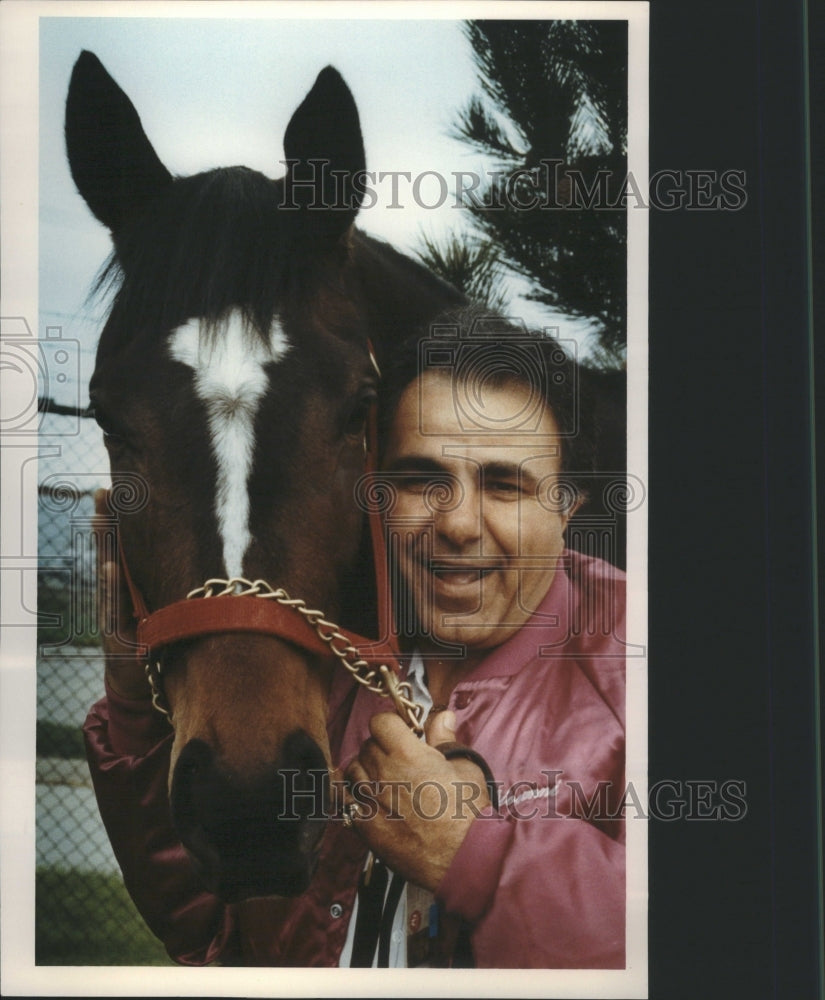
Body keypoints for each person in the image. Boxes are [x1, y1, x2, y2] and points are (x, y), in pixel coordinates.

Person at [84, 308, 627, 968]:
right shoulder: (316, 666)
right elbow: (215, 938)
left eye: (503, 484)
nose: (457, 523)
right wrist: (134, 706)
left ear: (567, 506)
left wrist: (472, 855)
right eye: (419, 479)